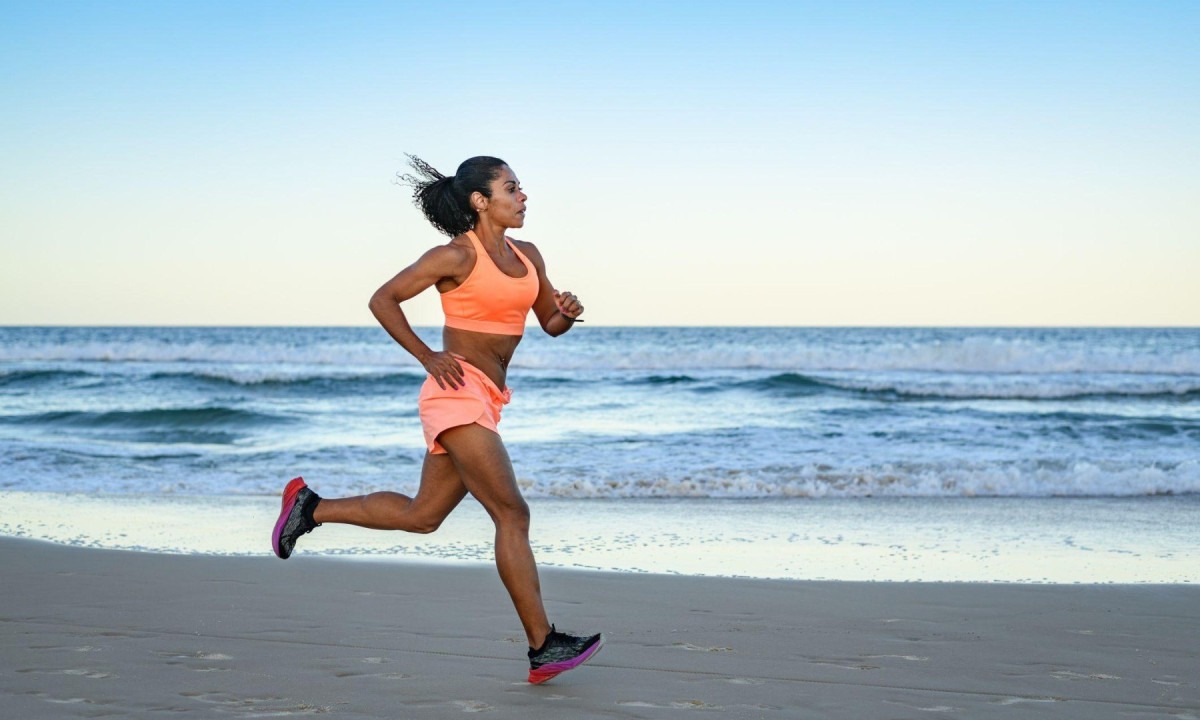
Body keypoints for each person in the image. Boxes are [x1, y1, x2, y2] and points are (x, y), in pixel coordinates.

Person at [270, 155, 603, 684]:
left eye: (520, 189)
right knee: (512, 514)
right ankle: (544, 645)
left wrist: (566, 309)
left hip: (488, 396)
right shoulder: (453, 256)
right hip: (456, 392)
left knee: (423, 515)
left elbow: (550, 324)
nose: (522, 197)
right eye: (511, 189)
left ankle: (310, 508)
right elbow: (384, 299)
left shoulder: (529, 254)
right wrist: (427, 356)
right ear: (481, 201)